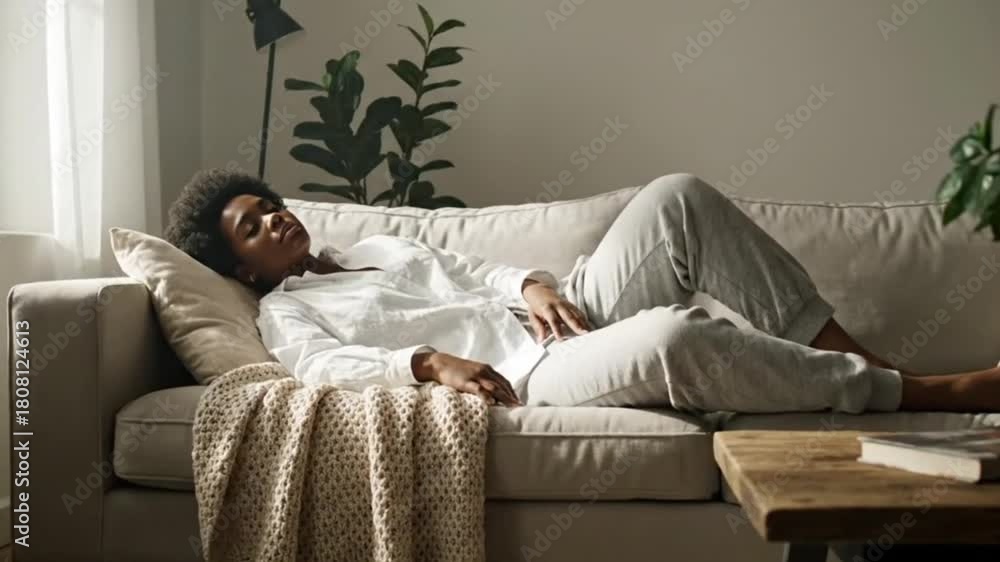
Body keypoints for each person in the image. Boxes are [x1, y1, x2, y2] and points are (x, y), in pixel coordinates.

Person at [164, 169, 1000, 413]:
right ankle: (917, 394)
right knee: (675, 337)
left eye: (270, 206)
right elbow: (320, 371)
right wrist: (427, 363)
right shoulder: (286, 313)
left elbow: (476, 272)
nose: (274, 219)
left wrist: (531, 284)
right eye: (253, 227)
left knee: (677, 198)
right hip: (531, 375)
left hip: (562, 313)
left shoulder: (374, 246)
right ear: (244, 269)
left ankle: (874, 366)